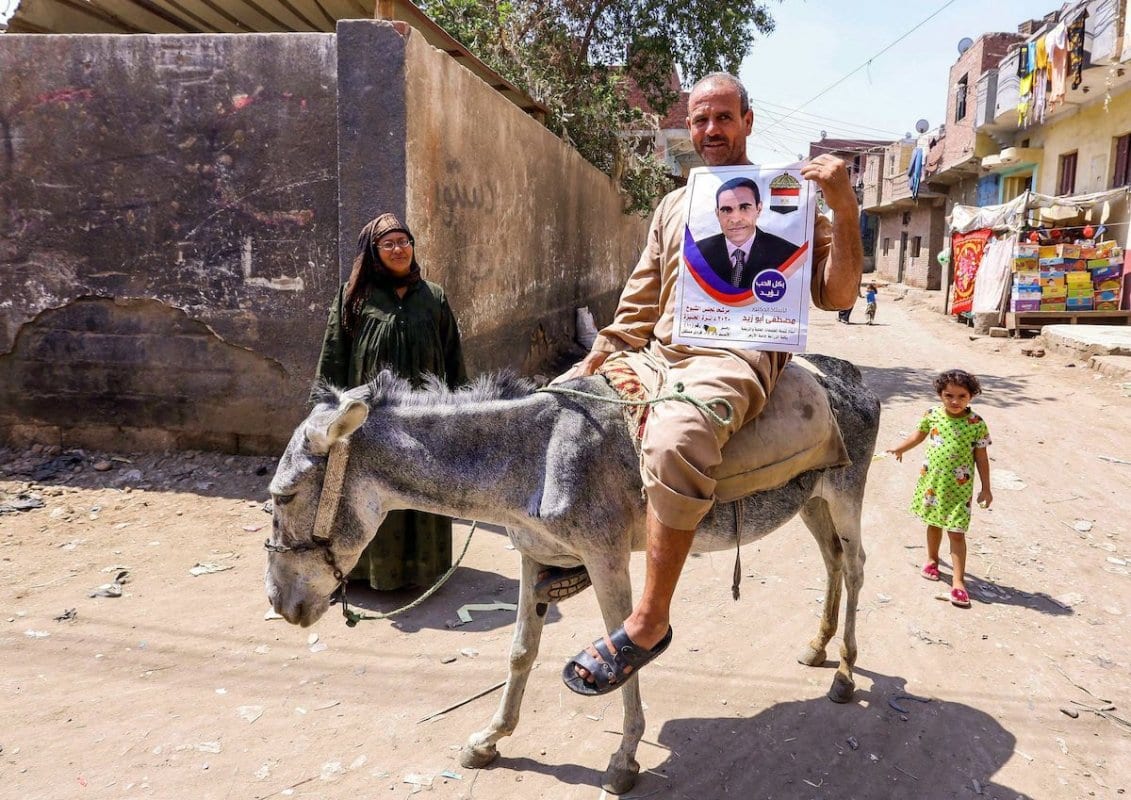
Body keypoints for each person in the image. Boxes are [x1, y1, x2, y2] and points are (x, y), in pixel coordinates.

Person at [555, 72, 862, 695]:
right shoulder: (676, 205)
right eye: (699, 119)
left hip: (735, 359)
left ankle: (650, 619)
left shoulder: (791, 200)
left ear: (748, 121)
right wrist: (605, 349)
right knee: (557, 413)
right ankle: (566, 555)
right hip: (662, 353)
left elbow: (838, 293)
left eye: (723, 117)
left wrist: (844, 208)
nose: (710, 130)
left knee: (675, 437)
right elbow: (641, 301)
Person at [315, 212, 467, 591]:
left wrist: (461, 411)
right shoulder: (354, 297)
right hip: (371, 423)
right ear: (374, 251)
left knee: (422, 487)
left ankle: (425, 572)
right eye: (389, 244)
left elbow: (452, 357)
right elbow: (334, 355)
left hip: (422, 421)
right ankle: (364, 571)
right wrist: (326, 411)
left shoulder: (433, 297)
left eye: (404, 242)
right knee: (368, 492)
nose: (399, 250)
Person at [886, 369, 993, 609]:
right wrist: (900, 448)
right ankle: (932, 560)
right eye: (949, 395)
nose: (955, 401)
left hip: (960, 489)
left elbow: (982, 458)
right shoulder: (932, 414)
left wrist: (986, 488)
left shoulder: (976, 423)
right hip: (933, 484)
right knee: (933, 524)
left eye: (962, 396)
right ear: (940, 395)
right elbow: (918, 436)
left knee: (956, 532)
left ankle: (958, 582)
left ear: (971, 397)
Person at [695, 177, 802, 288]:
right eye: (726, 210)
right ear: (717, 213)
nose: (735, 219)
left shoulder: (790, 255)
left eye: (744, 207)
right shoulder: (696, 253)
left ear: (759, 209)